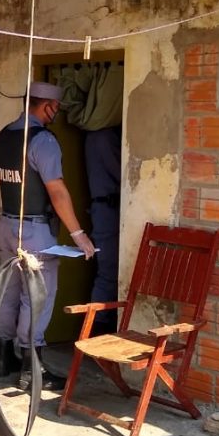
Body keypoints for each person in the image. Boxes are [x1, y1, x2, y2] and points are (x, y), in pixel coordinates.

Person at [0, 81, 96, 392]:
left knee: (8, 293)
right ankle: (32, 370)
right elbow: (57, 191)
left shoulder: (4, 136)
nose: (55, 114)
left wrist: (17, 177)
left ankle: (2, 358)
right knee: (36, 298)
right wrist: (78, 233)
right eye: (55, 109)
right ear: (46, 106)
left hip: (7, 225)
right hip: (34, 230)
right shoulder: (43, 141)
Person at [84, 126, 122, 336]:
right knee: (108, 274)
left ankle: (96, 328)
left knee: (106, 273)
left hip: (103, 209)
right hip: (108, 210)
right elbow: (124, 173)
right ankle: (96, 331)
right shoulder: (105, 136)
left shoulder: (95, 136)